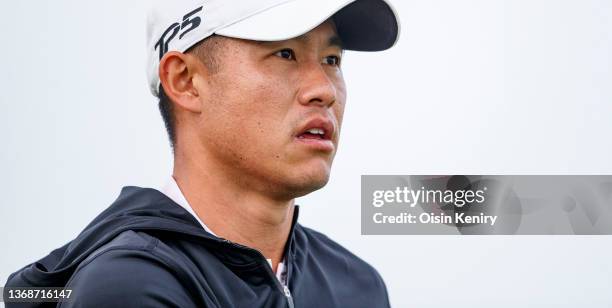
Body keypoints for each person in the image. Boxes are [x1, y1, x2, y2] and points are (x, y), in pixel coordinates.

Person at [5, 0, 400, 307]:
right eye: (285, 54)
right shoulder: (129, 286)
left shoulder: (357, 285)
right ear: (186, 81)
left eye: (332, 60)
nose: (324, 89)